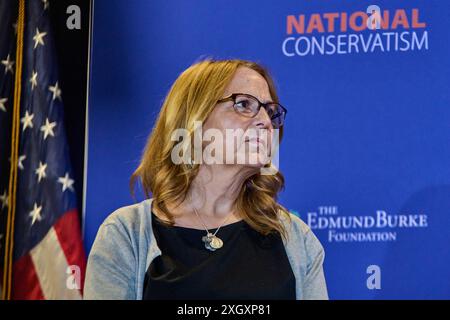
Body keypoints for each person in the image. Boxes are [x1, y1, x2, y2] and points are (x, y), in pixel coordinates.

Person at [84, 58, 328, 300]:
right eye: (244, 104)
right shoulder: (126, 233)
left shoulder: (294, 236)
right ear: (193, 119)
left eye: (270, 111)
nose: (265, 122)